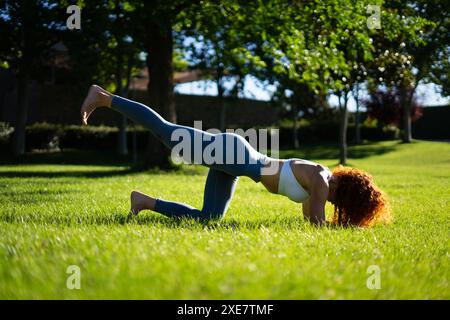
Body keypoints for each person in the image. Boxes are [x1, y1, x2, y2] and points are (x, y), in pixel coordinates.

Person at [80, 85, 390, 227]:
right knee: (166, 133)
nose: (342, 210)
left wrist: (337, 225)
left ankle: (144, 201)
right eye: (350, 208)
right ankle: (106, 98)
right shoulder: (323, 181)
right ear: (349, 197)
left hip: (236, 165)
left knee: (208, 219)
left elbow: (311, 221)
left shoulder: (320, 186)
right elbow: (319, 225)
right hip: (235, 154)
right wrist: (342, 229)